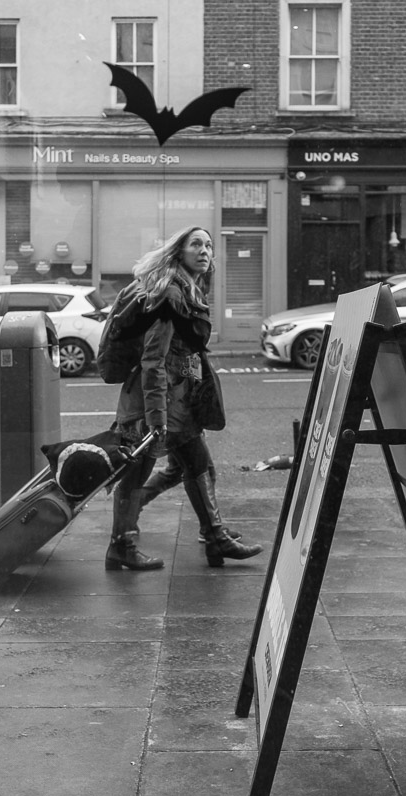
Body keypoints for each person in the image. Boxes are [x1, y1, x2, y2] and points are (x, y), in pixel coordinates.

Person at [105, 226, 262, 571]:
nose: (205, 250)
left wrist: (193, 391)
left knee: (197, 464)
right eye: (196, 244)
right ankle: (122, 545)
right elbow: (153, 360)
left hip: (177, 401)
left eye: (209, 245)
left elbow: (184, 352)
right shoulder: (168, 294)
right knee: (138, 472)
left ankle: (216, 537)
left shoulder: (188, 288)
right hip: (155, 402)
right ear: (179, 251)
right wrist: (156, 417)